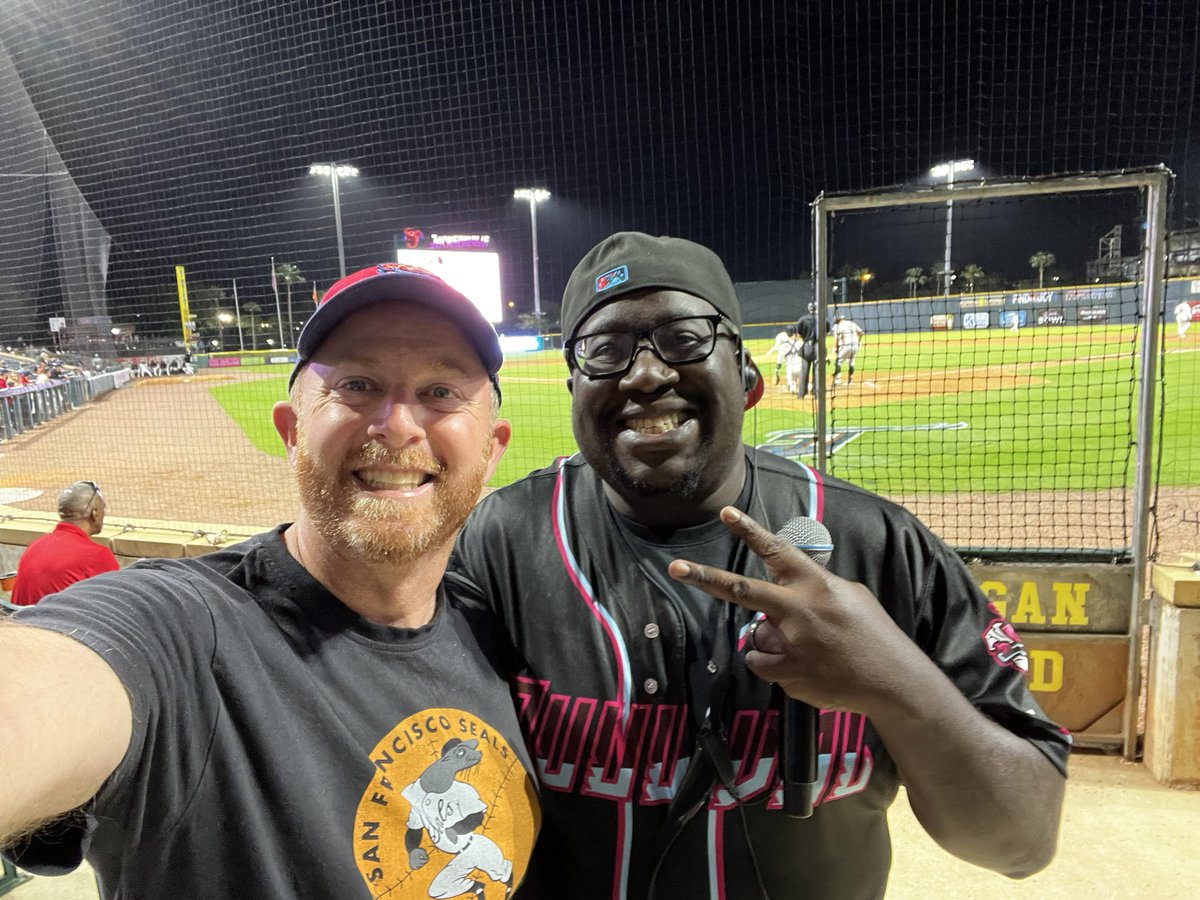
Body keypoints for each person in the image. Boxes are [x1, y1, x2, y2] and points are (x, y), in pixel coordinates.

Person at [448, 232, 1069, 899]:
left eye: (684, 338)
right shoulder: (499, 542)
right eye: (606, 352)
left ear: (748, 378)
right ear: (574, 388)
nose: (646, 374)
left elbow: (1022, 842)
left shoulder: (876, 542)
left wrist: (897, 683)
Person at [1, 263, 540, 898]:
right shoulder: (185, 632)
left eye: (443, 393)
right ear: (290, 431)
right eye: (358, 384)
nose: (398, 425)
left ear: (493, 449)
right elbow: (47, 689)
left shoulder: (500, 627)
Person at [9, 482, 120, 606]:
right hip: (56, 624)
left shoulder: (36, 545)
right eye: (102, 508)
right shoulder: (97, 555)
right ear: (95, 514)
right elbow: (117, 604)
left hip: (20, 621)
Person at [794, 302, 820, 397]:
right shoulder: (821, 318)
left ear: (808, 308)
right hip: (819, 346)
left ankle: (801, 394)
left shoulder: (802, 319)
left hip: (806, 346)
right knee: (818, 370)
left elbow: (799, 334)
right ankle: (817, 392)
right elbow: (827, 332)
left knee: (804, 369)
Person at [831, 313, 865, 385]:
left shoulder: (838, 326)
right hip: (855, 345)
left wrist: (834, 347)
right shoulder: (851, 323)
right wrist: (859, 342)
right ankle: (850, 381)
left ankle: (837, 380)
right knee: (851, 362)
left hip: (846, 345)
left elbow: (836, 338)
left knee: (838, 362)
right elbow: (861, 333)